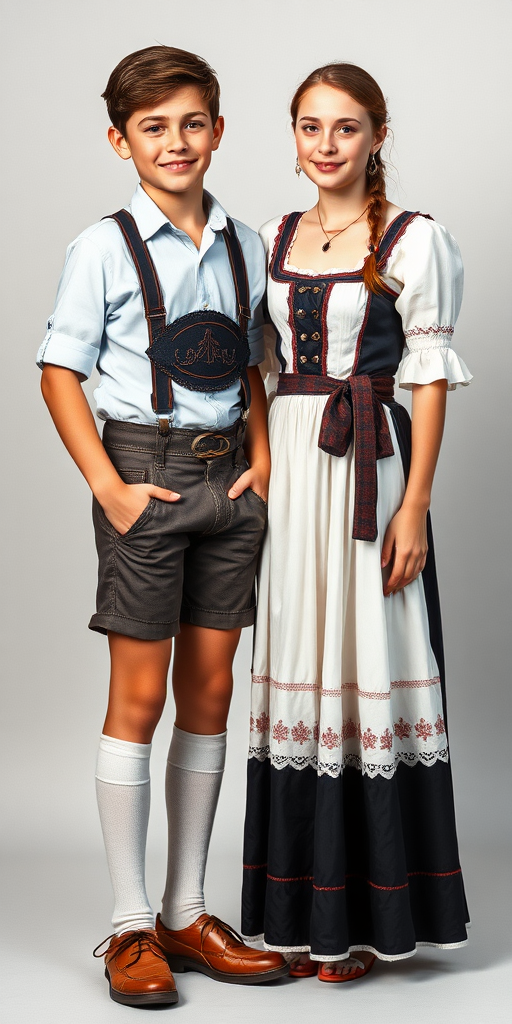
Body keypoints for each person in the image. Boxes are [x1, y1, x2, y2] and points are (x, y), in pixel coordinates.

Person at [38, 44, 288, 1007]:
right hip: (145, 476)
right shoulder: (101, 245)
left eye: (193, 122)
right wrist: (109, 486)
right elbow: (60, 370)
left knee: (213, 689)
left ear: (218, 131)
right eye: (155, 127)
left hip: (231, 486)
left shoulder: (245, 239)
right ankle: (129, 924)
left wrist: (261, 455)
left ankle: (187, 909)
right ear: (121, 140)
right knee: (139, 696)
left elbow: (254, 362)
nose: (176, 141)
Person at [242, 62, 472, 983]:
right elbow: (259, 370)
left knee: (370, 653)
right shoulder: (269, 236)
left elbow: (427, 376)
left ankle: (372, 920)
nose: (325, 144)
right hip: (294, 469)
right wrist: (263, 463)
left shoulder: (416, 240)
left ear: (378, 135)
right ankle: (297, 913)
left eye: (344, 127)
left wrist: (415, 503)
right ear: (293, 138)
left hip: (371, 460)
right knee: (300, 657)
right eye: (309, 127)